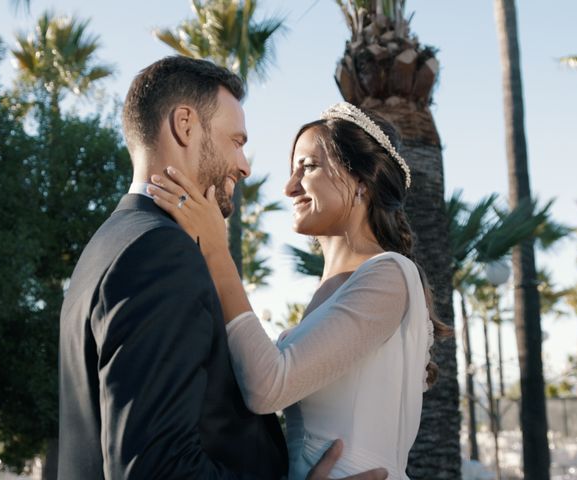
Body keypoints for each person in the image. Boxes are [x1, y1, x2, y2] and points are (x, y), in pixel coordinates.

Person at [58, 56, 387, 480]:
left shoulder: (109, 243)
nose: (245, 165)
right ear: (185, 125)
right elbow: (157, 470)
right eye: (236, 140)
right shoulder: (161, 252)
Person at [148, 101, 451, 479]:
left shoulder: (388, 276)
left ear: (361, 180)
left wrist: (215, 250)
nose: (289, 187)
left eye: (306, 167)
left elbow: (268, 387)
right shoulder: (330, 292)